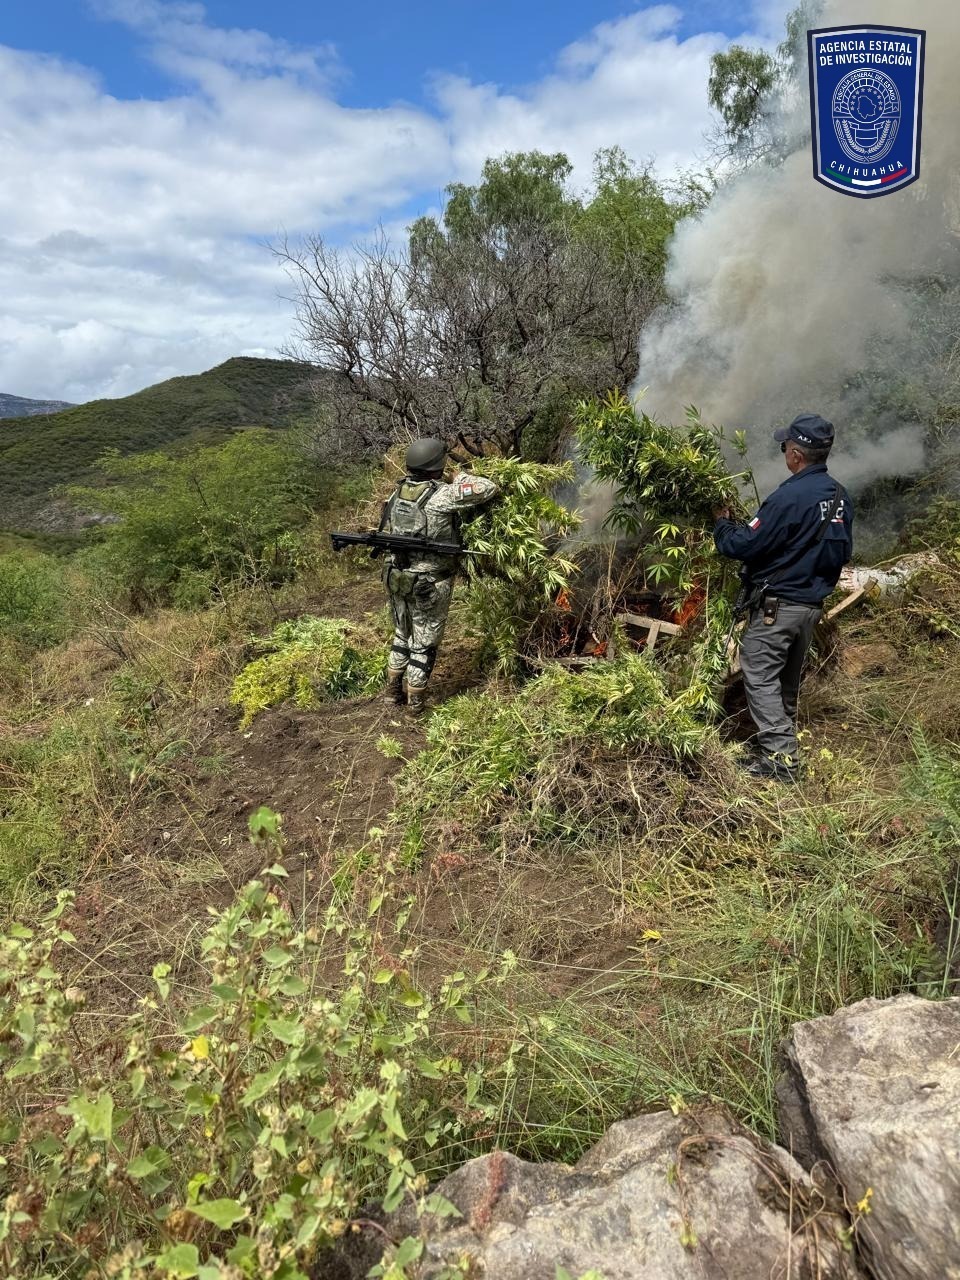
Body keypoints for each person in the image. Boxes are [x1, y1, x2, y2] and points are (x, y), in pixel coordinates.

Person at [713, 412, 854, 782]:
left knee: (758, 673)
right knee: (786, 683)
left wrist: (722, 523)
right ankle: (780, 747)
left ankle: (781, 759)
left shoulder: (789, 497)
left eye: (784, 447)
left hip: (779, 608)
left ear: (796, 454)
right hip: (810, 608)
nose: (783, 453)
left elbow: (744, 544)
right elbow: (842, 552)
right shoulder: (840, 497)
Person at [380, 438, 499, 715]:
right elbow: (488, 488)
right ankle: (416, 706)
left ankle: (392, 693)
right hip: (430, 582)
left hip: (396, 577)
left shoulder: (396, 493)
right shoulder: (441, 496)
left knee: (401, 634)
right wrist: (461, 476)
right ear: (437, 466)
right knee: (424, 643)